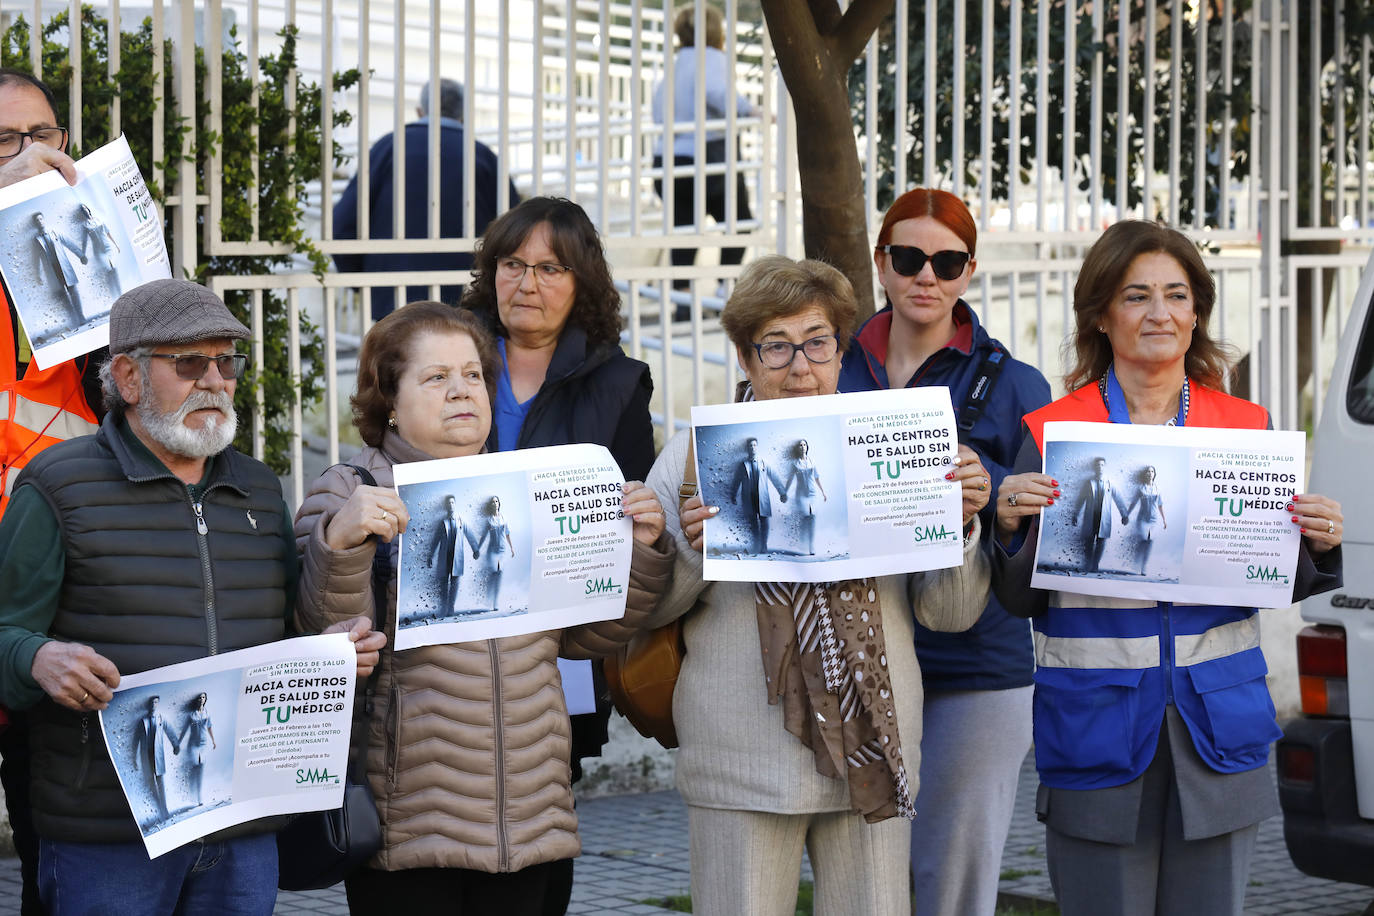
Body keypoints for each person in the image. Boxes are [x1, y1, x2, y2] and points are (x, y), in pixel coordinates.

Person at [0, 278, 386, 914]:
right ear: (127, 377)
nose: (215, 379)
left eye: (226, 361)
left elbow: (281, 639)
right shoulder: (57, 485)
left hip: (242, 830)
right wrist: (39, 659)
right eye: (189, 362)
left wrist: (327, 654)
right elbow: (7, 634)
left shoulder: (260, 490)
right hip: (109, 837)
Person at [992, 220, 1344, 916]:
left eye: (1177, 295)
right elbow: (1016, 599)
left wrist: (1318, 544)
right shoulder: (1053, 433)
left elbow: (1277, 579)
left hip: (1220, 725)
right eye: (1136, 295)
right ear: (1101, 313)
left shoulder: (1247, 427)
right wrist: (1007, 530)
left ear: (1196, 313)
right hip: (1095, 729)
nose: (1160, 312)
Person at [292, 301, 674, 915]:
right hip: (410, 824)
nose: (460, 391)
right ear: (389, 398)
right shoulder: (348, 489)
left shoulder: (528, 487)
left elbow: (589, 636)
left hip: (531, 812)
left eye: (472, 375)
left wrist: (641, 552)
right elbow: (322, 635)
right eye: (435, 377)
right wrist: (340, 544)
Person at [644, 254, 992, 916]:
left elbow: (950, 614)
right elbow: (650, 609)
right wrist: (691, 549)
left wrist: (963, 524)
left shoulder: (892, 444)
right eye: (775, 346)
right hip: (741, 758)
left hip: (874, 745)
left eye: (817, 343)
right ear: (746, 357)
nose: (799, 366)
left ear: (840, 351)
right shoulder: (694, 454)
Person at [838, 187, 1051, 916]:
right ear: (881, 263)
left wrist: (982, 482)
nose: (927, 276)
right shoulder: (830, 369)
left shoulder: (1018, 384)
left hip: (976, 669)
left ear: (969, 272)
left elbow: (1039, 516)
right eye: (909, 257)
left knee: (953, 887)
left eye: (948, 261)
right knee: (861, 879)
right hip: (851, 659)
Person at [460, 194, 656, 907]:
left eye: (550, 268)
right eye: (513, 264)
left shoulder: (618, 384)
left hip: (557, 651)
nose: (528, 283)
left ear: (582, 283)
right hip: (450, 638)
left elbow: (631, 519)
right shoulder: (446, 352)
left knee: (540, 818)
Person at [0, 67, 106, 916]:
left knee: (56, 855)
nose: (33, 157)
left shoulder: (88, 237)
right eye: (6, 142)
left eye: (46, 135)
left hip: (58, 592)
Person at [333, 78, 520, 320]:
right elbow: (516, 232)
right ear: (462, 115)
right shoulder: (483, 157)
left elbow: (342, 225)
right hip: (467, 301)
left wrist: (366, 281)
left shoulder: (388, 148)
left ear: (420, 111)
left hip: (394, 301)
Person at [651, 4, 757, 292]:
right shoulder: (711, 58)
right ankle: (725, 286)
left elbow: (658, 109)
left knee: (685, 231)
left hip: (668, 162)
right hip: (705, 163)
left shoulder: (674, 64)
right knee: (740, 221)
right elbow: (717, 93)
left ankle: (682, 301)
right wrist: (749, 110)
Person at [1071, 455, 1130, 573]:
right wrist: (1075, 514)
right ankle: (1088, 564)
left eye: (1102, 465)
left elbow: (1119, 499)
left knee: (1101, 541)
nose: (1100, 467)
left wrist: (1124, 515)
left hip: (1104, 517)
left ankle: (1095, 564)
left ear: (1105, 467)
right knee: (1088, 541)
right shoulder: (1088, 483)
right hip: (1090, 516)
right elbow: (1080, 499)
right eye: (1098, 465)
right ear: (1094, 467)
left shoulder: (1110, 483)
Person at [729, 436, 787, 554]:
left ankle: (764, 545)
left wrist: (782, 493)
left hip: (762, 497)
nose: (753, 447)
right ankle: (756, 544)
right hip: (748, 498)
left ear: (757, 447)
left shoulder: (764, 463)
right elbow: (736, 480)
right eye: (750, 445)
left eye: (754, 445)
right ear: (747, 448)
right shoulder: (743, 465)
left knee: (764, 521)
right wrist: (733, 495)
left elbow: (775, 478)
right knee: (753, 522)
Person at [32, 211, 85, 332]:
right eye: (37, 220)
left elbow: (69, 243)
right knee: (63, 296)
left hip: (64, 267)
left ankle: (81, 316)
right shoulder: (36, 240)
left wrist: (81, 255)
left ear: (44, 220)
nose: (40, 221)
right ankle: (74, 320)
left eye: (41, 219)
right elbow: (36, 258)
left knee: (74, 292)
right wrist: (38, 275)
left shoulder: (55, 232)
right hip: (52, 270)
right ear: (35, 224)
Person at [428, 494, 478, 615]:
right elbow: (435, 540)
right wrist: (430, 555)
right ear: (446, 506)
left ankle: (451, 608)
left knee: (455, 584)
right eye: (448, 503)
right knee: (443, 584)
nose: (450, 505)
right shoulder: (442, 522)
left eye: (452, 502)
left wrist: (475, 550)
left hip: (457, 557)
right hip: (444, 557)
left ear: (455, 504)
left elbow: (470, 535)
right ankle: (443, 608)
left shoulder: (461, 520)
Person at [132, 695, 178, 823]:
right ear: (148, 705)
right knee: (151, 787)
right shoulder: (142, 721)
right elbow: (135, 741)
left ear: (158, 704)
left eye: (156, 702)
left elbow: (170, 732)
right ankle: (160, 811)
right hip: (146, 757)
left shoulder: (161, 718)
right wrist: (134, 758)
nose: (154, 704)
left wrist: (176, 745)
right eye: (152, 702)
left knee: (161, 785)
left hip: (158, 757)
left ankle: (165, 810)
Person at [474, 495, 516, 611]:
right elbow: (483, 536)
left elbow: (507, 533)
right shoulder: (488, 520)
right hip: (492, 550)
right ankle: (488, 596)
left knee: (499, 572)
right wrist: (477, 548)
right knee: (494, 572)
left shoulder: (504, 518)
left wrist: (512, 548)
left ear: (499, 503)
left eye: (496, 501)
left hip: (503, 550)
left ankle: (495, 602)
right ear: (491, 505)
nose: (495, 503)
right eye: (493, 502)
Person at [786, 439, 827, 555]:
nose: (803, 447)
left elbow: (817, 477)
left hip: (813, 493)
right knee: (806, 515)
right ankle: (802, 538)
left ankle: (811, 546)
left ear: (807, 447)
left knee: (812, 516)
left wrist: (823, 492)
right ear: (798, 448)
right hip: (801, 494)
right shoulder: (794, 464)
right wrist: (784, 492)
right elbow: (790, 479)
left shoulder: (812, 461)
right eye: (800, 445)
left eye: (804, 445)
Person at [179, 692, 217, 807]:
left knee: (201, 768)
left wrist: (213, 741)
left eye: (203, 697)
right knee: (195, 766)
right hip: (193, 745)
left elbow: (209, 727)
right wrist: (178, 743)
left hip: (204, 744)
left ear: (205, 699)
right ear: (197, 700)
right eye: (200, 697)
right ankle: (191, 793)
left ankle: (200, 797)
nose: (201, 699)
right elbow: (184, 730)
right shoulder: (191, 715)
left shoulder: (207, 713)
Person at [1128, 465, 1167, 576]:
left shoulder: (1158, 488)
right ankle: (1136, 559)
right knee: (1143, 539)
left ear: (1154, 474)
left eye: (1152, 471)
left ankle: (1144, 566)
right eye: (1148, 471)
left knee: (1150, 541)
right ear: (1145, 474)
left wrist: (1164, 520)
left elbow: (1160, 505)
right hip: (1142, 519)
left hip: (1154, 519)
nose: (1150, 473)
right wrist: (1126, 515)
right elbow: (1133, 502)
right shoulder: (1140, 488)